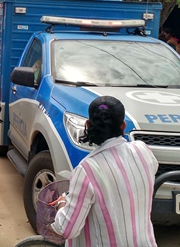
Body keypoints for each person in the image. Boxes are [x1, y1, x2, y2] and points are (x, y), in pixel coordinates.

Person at [51, 96, 158, 246]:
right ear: (123, 126)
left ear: (88, 125)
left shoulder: (86, 170)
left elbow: (67, 229)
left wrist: (62, 203)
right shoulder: (143, 150)